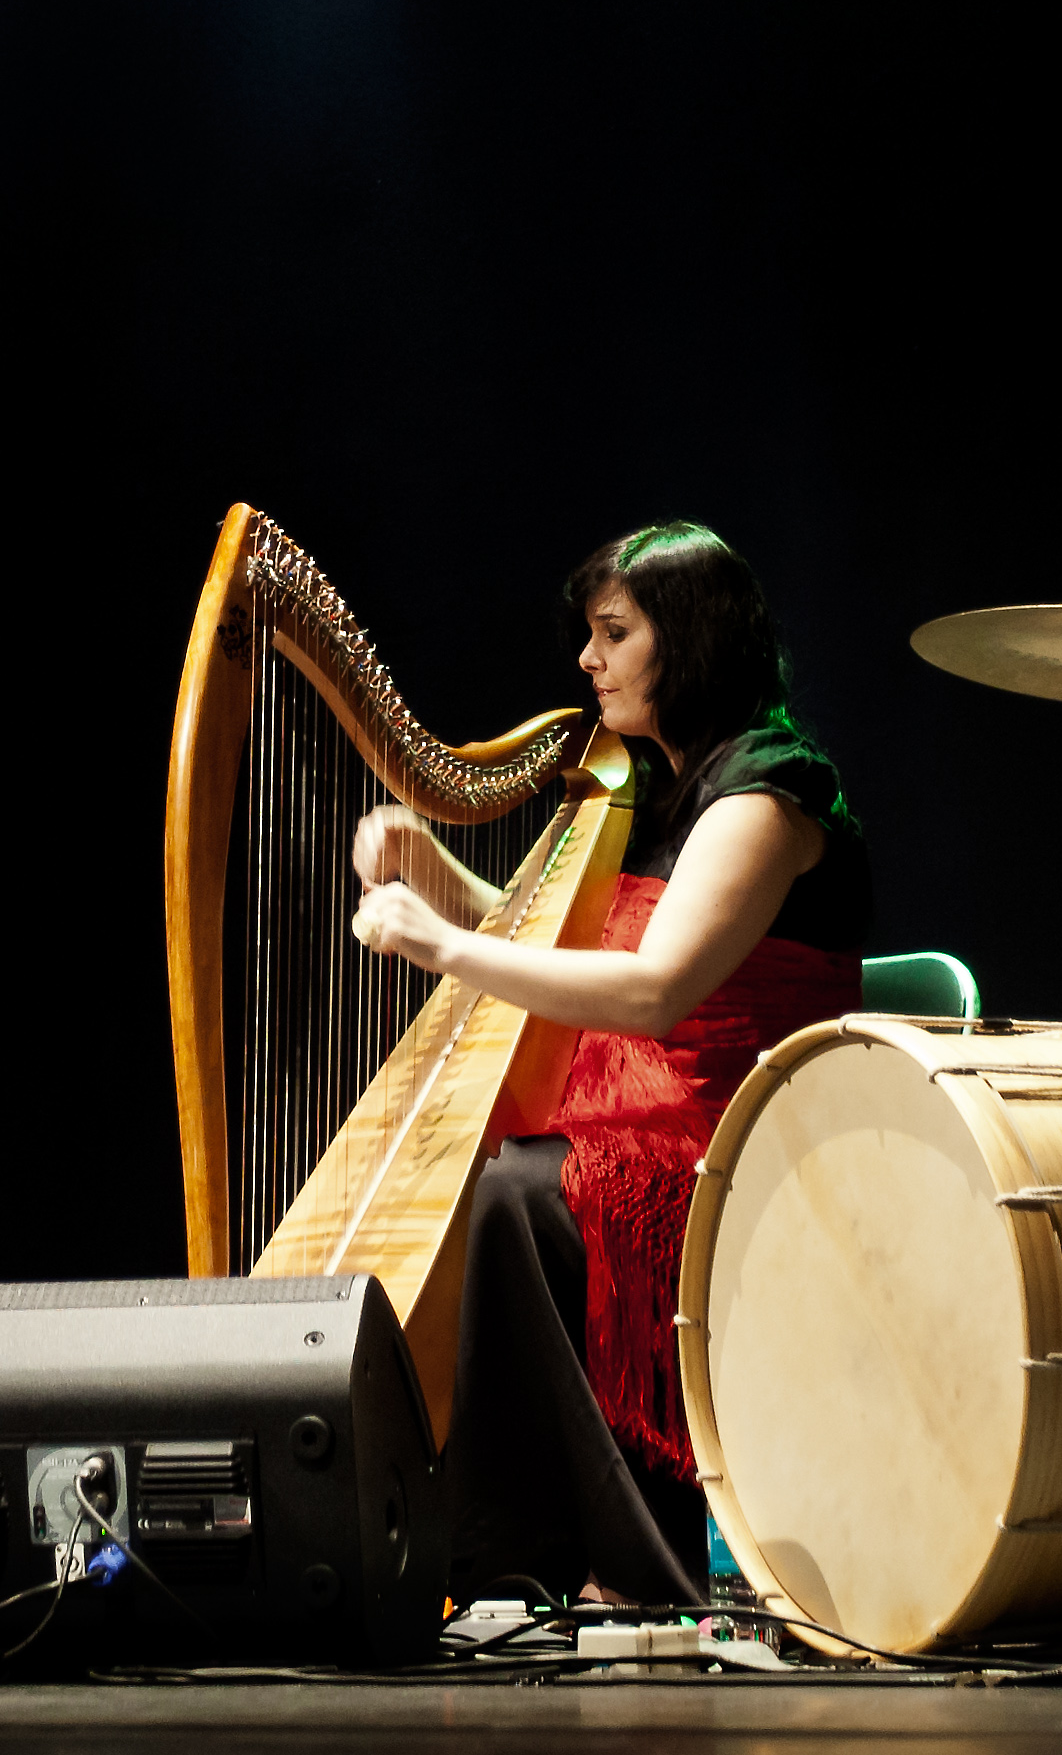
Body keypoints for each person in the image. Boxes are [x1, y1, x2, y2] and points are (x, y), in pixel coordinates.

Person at [348, 522, 869, 1606]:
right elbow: (553, 953)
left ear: (689, 639)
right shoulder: (651, 791)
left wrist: (436, 943)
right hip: (649, 1116)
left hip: (737, 1136)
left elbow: (652, 990)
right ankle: (522, 1563)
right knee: (505, 1181)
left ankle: (626, 1565)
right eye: (590, 635)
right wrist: (427, 868)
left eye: (613, 633)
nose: (587, 660)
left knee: (522, 1193)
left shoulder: (770, 789)